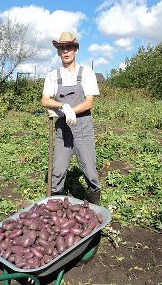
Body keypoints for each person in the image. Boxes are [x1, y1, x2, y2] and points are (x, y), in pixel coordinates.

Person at [41, 32, 101, 205]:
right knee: (57, 172)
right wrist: (63, 107)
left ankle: (95, 207)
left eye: (69, 47)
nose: (65, 51)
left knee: (90, 171)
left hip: (83, 128)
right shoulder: (53, 76)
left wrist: (72, 110)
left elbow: (89, 103)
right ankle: (53, 209)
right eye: (62, 48)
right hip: (63, 130)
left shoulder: (87, 73)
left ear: (75, 50)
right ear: (58, 52)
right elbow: (45, 100)